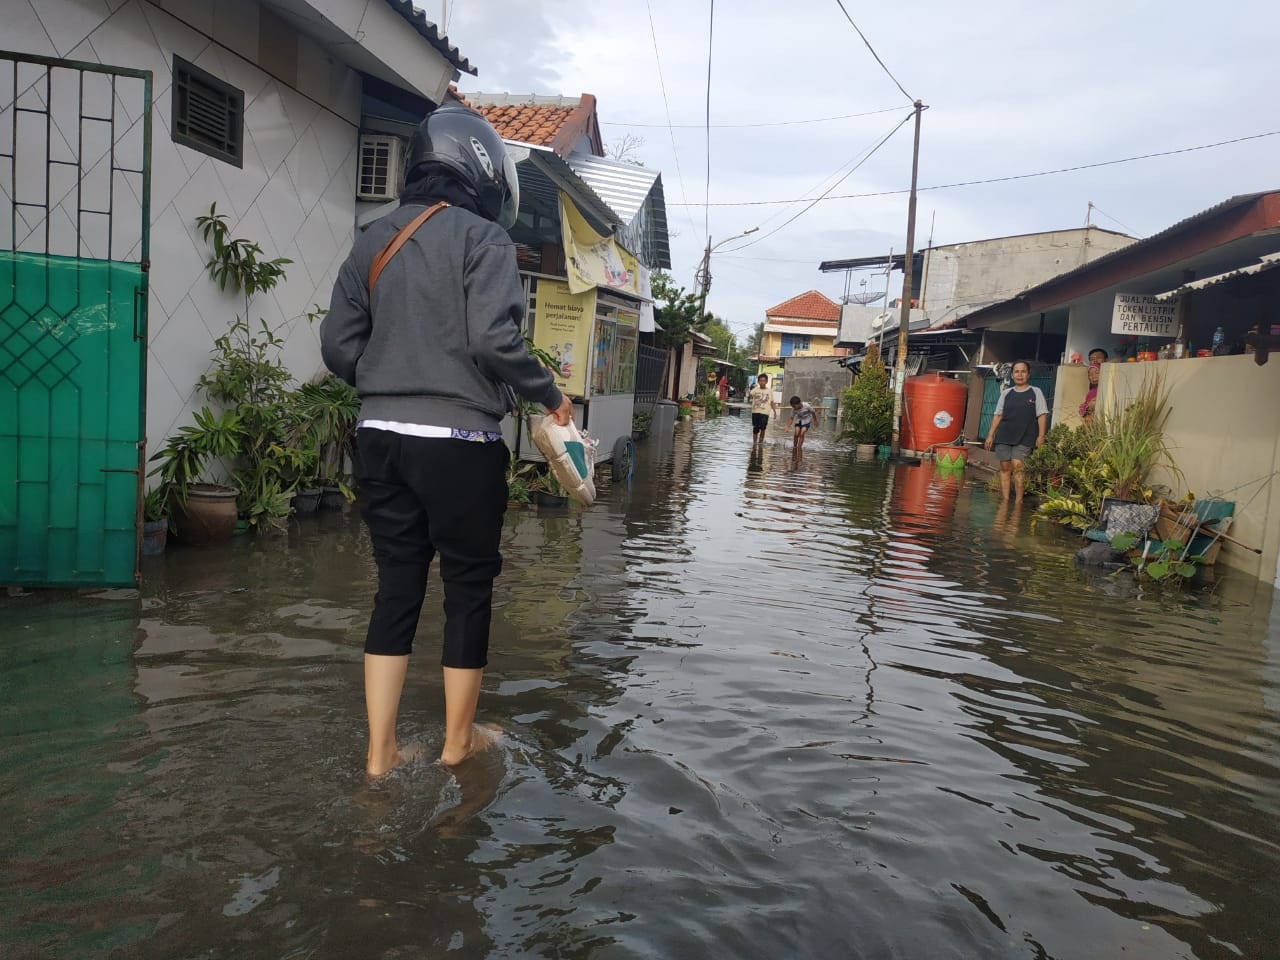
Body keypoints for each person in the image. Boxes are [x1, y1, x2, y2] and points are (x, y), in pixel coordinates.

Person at [321, 104, 575, 776]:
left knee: (396, 587)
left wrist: (388, 379)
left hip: (378, 438)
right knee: (467, 586)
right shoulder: (482, 239)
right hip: (460, 440)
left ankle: (379, 757)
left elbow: (337, 347)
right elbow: (494, 340)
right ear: (482, 169)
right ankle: (457, 745)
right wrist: (549, 394)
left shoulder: (370, 240)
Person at [983, 360, 1048, 503]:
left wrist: (1041, 435)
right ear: (1012, 375)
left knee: (1018, 466)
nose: (1020, 375)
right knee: (1005, 467)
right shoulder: (1006, 393)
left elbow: (1042, 414)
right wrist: (990, 435)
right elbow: (998, 414)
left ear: (1028, 374)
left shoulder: (1035, 392)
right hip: (1004, 435)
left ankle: (1019, 502)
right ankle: (1005, 501)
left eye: (1023, 371)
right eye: (1017, 372)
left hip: (1025, 436)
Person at [748, 373, 777, 447]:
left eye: (764, 381)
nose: (762, 382)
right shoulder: (755, 389)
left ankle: (760, 442)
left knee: (763, 427)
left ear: (766, 381)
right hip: (755, 411)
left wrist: (774, 411)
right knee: (756, 428)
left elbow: (772, 402)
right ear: (758, 381)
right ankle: (754, 443)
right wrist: (749, 393)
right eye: (760, 381)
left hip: (765, 412)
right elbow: (750, 395)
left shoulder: (769, 391)